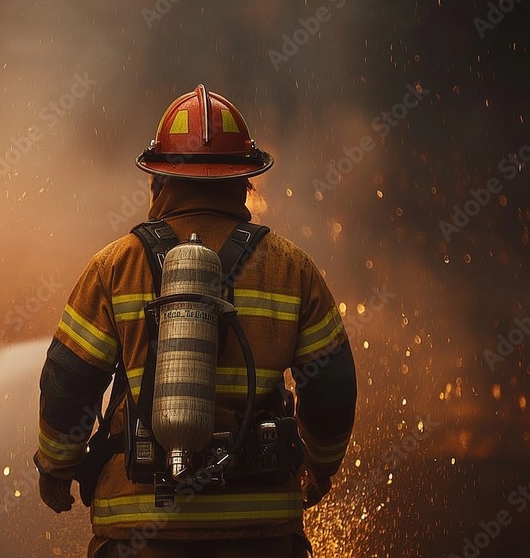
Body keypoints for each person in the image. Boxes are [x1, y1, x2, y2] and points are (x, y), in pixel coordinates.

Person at [34, 84, 357, 558]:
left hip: (140, 534)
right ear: (245, 182)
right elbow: (332, 389)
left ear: (158, 182)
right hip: (261, 537)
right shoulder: (293, 269)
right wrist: (320, 466)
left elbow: (67, 384)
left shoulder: (114, 267)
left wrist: (56, 468)